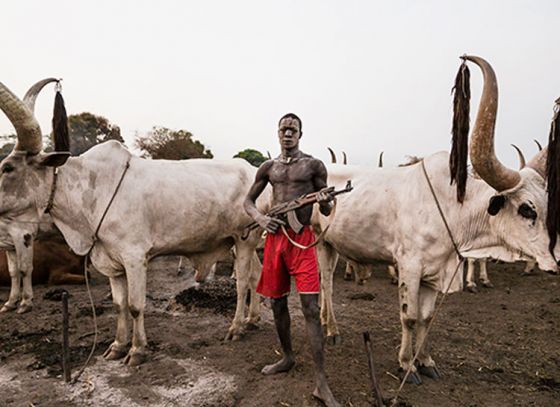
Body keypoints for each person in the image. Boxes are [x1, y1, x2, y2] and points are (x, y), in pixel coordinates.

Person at [244, 113, 340, 407]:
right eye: (283, 129)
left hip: (302, 242)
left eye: (293, 129)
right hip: (275, 241)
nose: (288, 133)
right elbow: (248, 202)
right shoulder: (268, 167)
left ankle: (321, 383)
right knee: (276, 302)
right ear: (277, 133)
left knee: (311, 308)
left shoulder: (313, 165)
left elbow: (325, 209)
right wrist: (261, 218)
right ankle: (287, 357)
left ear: (301, 133)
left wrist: (324, 201)